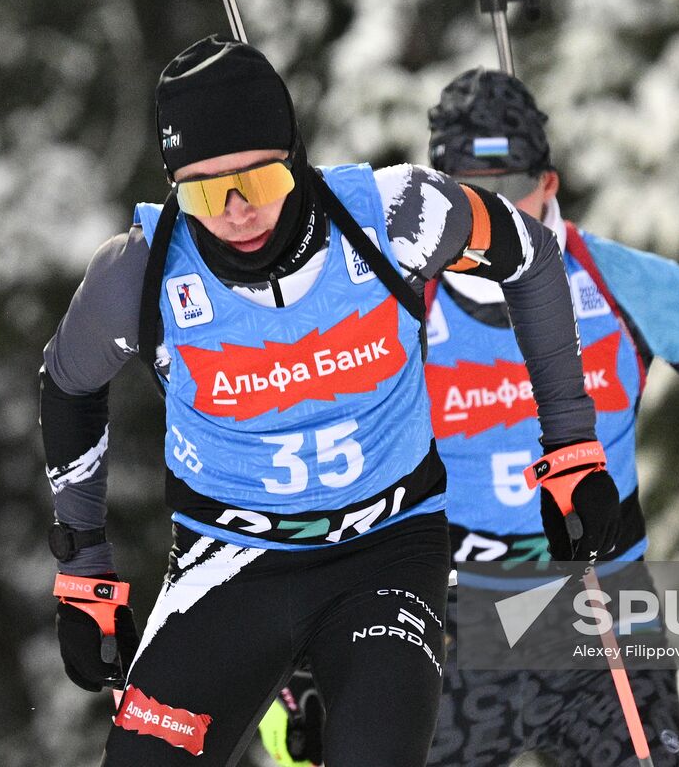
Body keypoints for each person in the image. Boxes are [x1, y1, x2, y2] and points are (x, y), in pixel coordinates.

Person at [39, 38, 623, 767]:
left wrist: (569, 447)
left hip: (386, 554)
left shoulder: (398, 216)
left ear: (295, 155)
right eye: (204, 193)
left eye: (257, 180)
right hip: (230, 560)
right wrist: (83, 571)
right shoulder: (139, 273)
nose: (236, 213)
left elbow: (529, 257)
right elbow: (68, 384)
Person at [260, 68, 679, 767]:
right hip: (451, 630)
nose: (496, 213)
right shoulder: (387, 305)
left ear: (550, 185)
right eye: (472, 192)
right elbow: (297, 478)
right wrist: (291, 682)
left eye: (513, 188)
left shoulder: (625, 285)